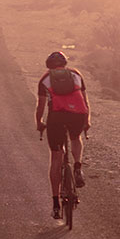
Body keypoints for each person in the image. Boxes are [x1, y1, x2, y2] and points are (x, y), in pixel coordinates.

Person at [34, 51, 90, 219]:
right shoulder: (76, 74)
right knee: (75, 138)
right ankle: (78, 167)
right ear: (65, 63)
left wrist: (39, 123)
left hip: (56, 118)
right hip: (78, 115)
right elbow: (85, 101)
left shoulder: (45, 79)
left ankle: (56, 205)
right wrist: (87, 121)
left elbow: (41, 106)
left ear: (49, 66)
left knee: (56, 158)